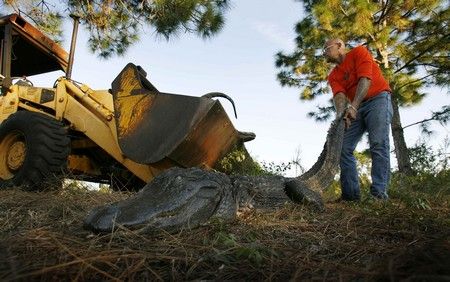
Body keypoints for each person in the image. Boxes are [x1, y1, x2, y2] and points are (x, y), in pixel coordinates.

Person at [323, 38, 393, 201]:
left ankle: (379, 194)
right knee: (343, 147)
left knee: (378, 143)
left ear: (339, 46)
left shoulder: (359, 52)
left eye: (326, 49)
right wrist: (340, 117)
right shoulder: (333, 75)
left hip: (378, 99)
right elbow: (339, 96)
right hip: (358, 107)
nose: (324, 53)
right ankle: (350, 196)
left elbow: (365, 79)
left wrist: (353, 106)